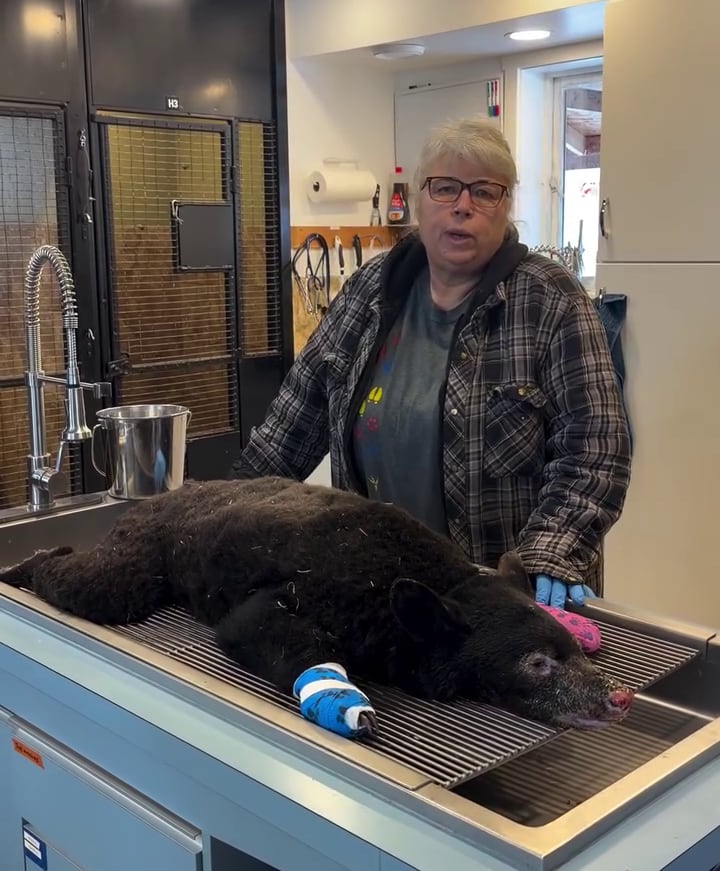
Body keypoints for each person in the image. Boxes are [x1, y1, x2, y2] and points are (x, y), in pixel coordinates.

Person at [231, 116, 631, 613]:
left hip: (505, 602)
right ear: (420, 198)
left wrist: (552, 551)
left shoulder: (550, 300)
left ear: (506, 207)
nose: (462, 206)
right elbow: (291, 426)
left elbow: (596, 448)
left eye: (484, 192)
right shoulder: (370, 290)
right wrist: (228, 512)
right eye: (445, 188)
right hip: (381, 590)